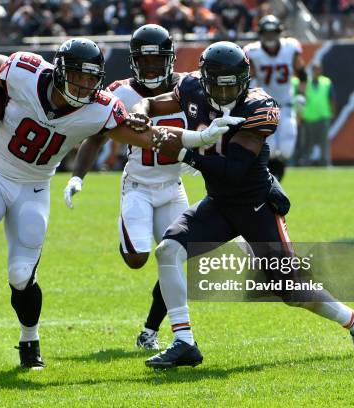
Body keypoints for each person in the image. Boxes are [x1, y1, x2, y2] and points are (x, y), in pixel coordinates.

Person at [0, 37, 235, 368]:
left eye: (91, 78)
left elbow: (147, 137)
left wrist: (197, 139)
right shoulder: (26, 70)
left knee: (20, 275)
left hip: (35, 186)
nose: (85, 84)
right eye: (77, 76)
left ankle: (29, 341)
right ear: (58, 71)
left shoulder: (100, 107)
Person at [129, 41, 354, 368]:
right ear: (204, 79)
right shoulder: (190, 87)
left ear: (244, 80)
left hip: (255, 206)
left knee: (291, 290)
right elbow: (151, 105)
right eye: (216, 84)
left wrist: (183, 151)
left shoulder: (258, 107)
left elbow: (233, 171)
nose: (223, 92)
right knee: (168, 250)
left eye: (230, 84)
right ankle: (184, 341)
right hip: (218, 204)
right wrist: (138, 113)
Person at [65, 24, 253, 351]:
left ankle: (150, 331)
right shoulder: (120, 92)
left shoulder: (191, 87)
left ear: (170, 59)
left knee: (175, 257)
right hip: (137, 185)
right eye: (144, 61)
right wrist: (78, 175)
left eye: (157, 61)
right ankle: (130, 237)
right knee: (137, 258)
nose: (151, 67)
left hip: (173, 185)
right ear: (134, 61)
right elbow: (96, 136)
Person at [244, 15, 307, 181]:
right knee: (269, 148)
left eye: (273, 32)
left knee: (286, 149)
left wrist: (301, 95)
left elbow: (302, 74)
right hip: (265, 106)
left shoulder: (290, 48)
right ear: (261, 34)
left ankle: (277, 175)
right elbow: (247, 78)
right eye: (267, 33)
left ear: (279, 32)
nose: (270, 36)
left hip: (286, 104)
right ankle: (269, 178)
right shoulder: (253, 51)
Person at [295, 61, 336, 166]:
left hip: (323, 117)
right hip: (308, 118)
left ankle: (325, 163)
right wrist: (299, 115)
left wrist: (332, 113)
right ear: (311, 71)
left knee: (324, 144)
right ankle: (306, 164)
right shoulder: (306, 83)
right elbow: (300, 99)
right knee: (307, 144)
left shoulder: (326, 82)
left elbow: (331, 98)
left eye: (318, 69)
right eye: (314, 69)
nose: (316, 72)